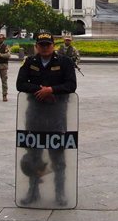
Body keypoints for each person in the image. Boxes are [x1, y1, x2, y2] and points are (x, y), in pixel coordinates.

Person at [16, 30, 77, 206]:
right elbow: (20, 84)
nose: (44, 48)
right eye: (41, 45)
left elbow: (71, 85)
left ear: (53, 46)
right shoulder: (29, 62)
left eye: (47, 45)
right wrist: (40, 89)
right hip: (35, 115)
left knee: (58, 157)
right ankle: (33, 192)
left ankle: (60, 193)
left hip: (56, 115)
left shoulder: (65, 62)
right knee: (34, 156)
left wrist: (51, 90)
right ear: (36, 46)